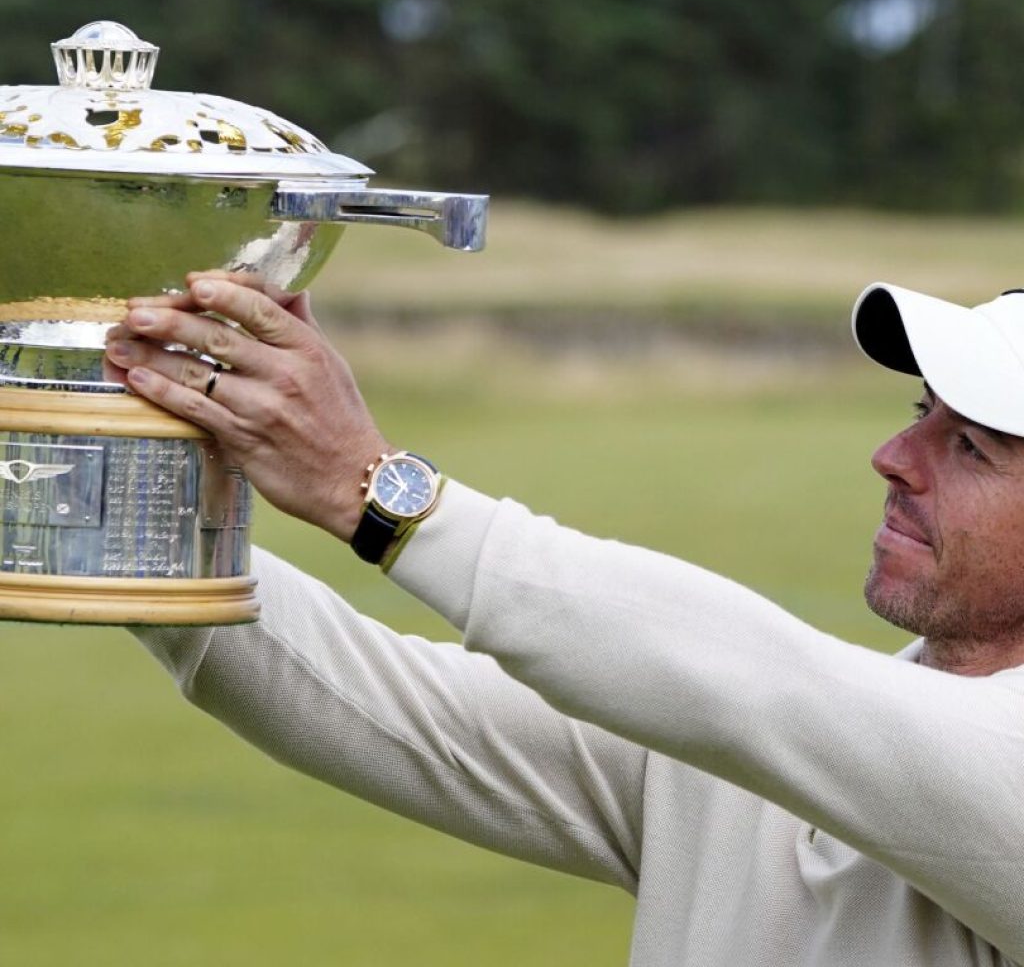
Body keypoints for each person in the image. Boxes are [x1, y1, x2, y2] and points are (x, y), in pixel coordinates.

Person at [103, 274, 1024, 966]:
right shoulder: (768, 747)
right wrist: (115, 505)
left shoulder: (822, 728)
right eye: (917, 415)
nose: (894, 456)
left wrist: (380, 493)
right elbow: (389, 704)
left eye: (971, 447)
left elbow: (759, 681)